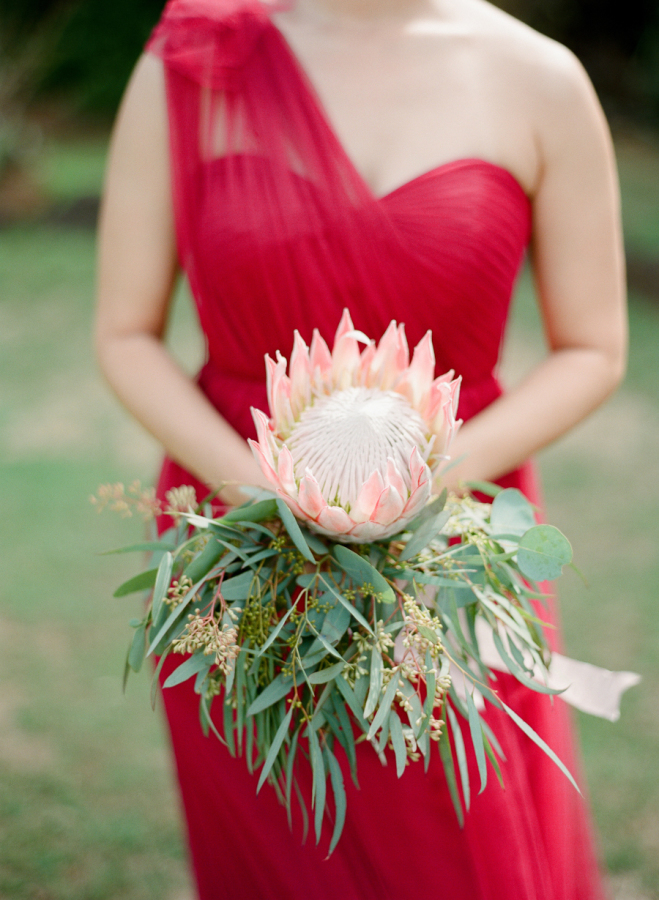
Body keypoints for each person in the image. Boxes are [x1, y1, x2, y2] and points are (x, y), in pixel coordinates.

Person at [94, 0, 627, 897]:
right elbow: (123, 333)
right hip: (240, 546)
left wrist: (407, 494)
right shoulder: (192, 65)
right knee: (284, 852)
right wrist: (283, 500)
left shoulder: (540, 77)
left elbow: (595, 348)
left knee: (466, 852)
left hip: (450, 535)